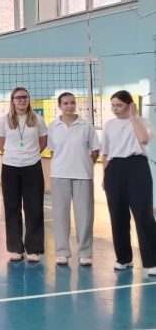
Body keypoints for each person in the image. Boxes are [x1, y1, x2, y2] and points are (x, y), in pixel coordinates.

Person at [102, 90, 156, 274]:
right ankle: (123, 258)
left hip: (137, 166)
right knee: (117, 214)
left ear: (130, 105)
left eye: (119, 105)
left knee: (143, 214)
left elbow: (144, 139)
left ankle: (152, 262)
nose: (115, 109)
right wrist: (105, 176)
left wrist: (133, 118)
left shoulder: (142, 122)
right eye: (113, 105)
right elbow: (105, 153)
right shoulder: (109, 125)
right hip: (114, 169)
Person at [47, 92, 100, 267]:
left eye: (72, 102)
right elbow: (53, 151)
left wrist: (86, 165)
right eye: (66, 103)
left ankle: (85, 253)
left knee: (85, 215)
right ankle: (61, 252)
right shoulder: (53, 126)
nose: (69, 106)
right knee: (60, 214)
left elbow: (95, 151)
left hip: (83, 175)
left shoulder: (86, 125)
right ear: (59, 106)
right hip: (59, 175)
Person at [0, 87, 48, 262]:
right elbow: (0, 143)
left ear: (29, 99)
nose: (22, 100)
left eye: (25, 97)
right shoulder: (3, 121)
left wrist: (30, 154)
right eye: (18, 98)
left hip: (32, 167)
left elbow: (43, 142)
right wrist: (14, 155)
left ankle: (34, 249)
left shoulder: (38, 119)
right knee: (12, 208)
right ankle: (15, 248)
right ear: (12, 100)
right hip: (10, 167)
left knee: (34, 208)